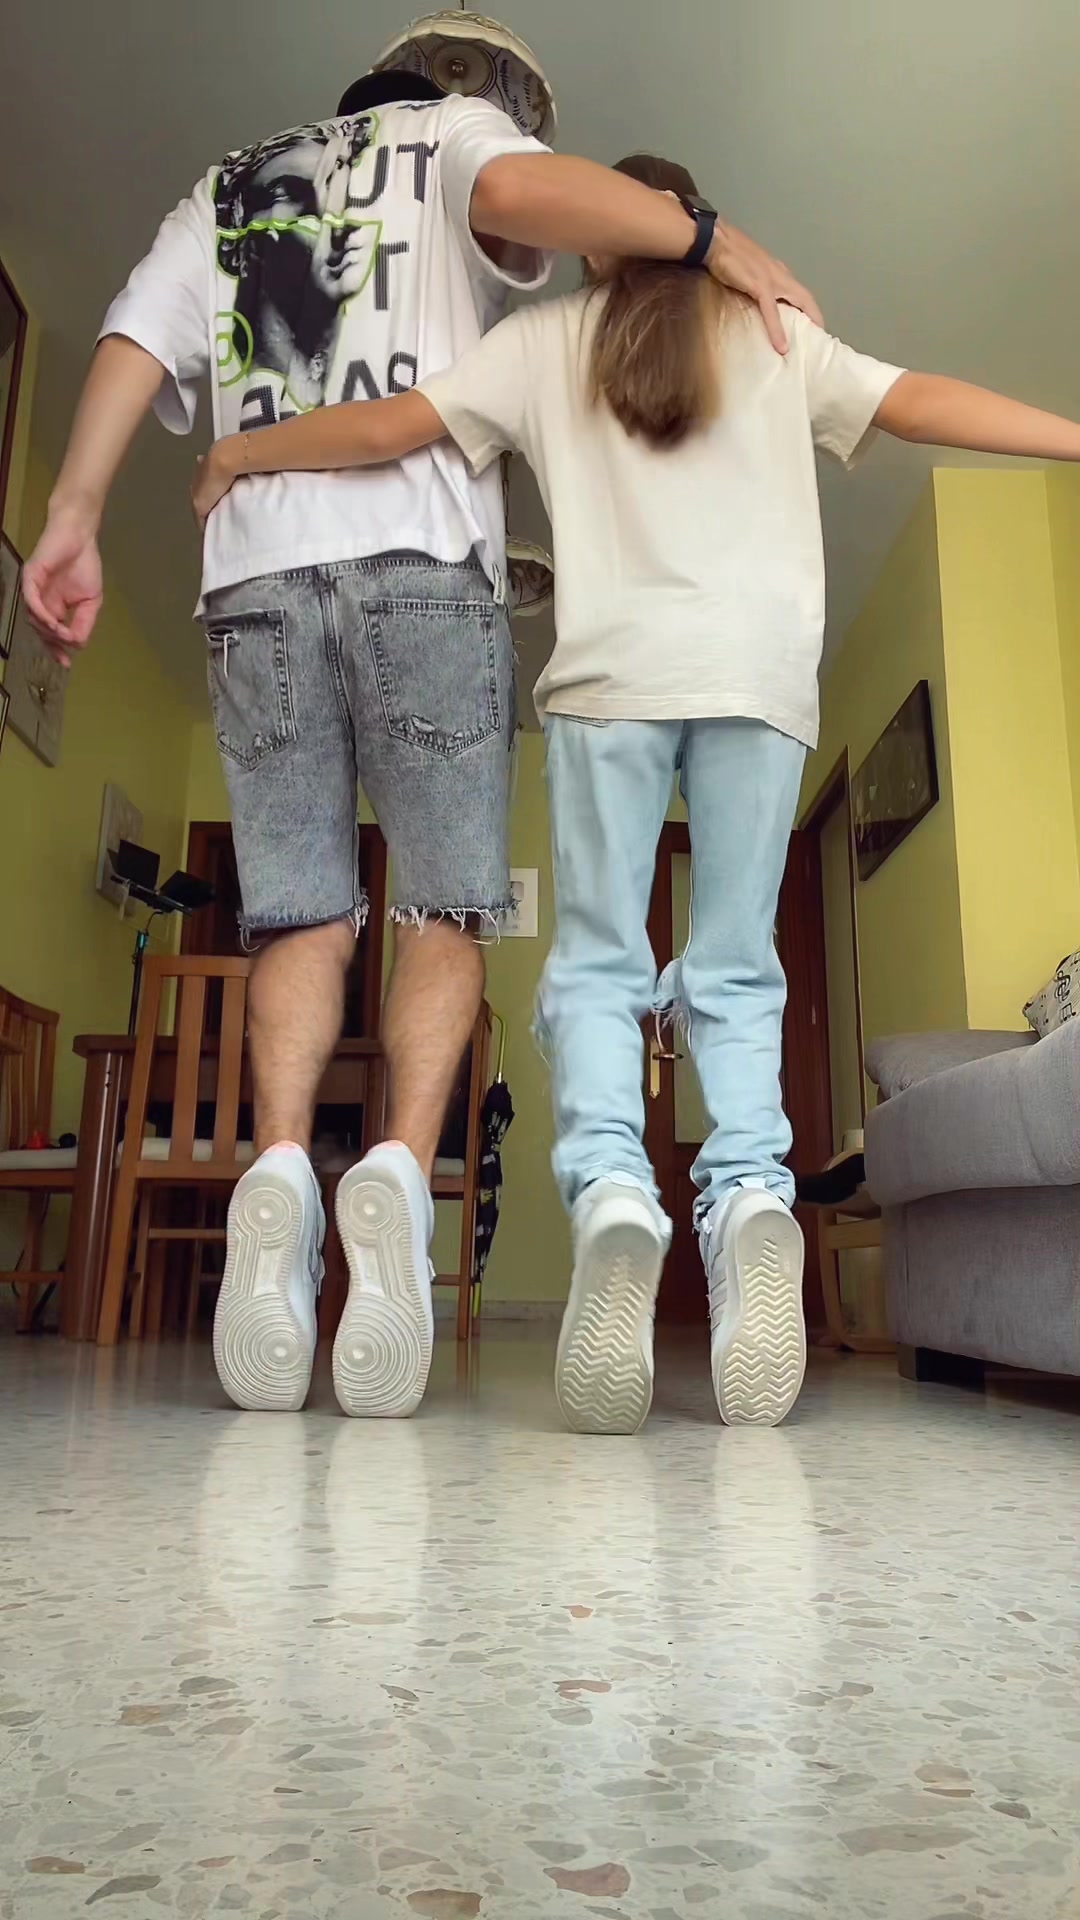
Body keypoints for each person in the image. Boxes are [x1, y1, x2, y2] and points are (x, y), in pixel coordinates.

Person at [190, 145, 1080, 1434]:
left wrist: (244, 450)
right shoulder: (771, 331)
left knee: (602, 966)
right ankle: (752, 1195)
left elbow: (386, 429)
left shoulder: (543, 343)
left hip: (611, 682)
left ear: (601, 237)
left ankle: (615, 1191)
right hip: (758, 679)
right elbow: (919, 401)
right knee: (737, 968)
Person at [23, 32, 819, 1423]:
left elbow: (130, 340)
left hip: (255, 573)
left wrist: (74, 513)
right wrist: (705, 238)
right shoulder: (451, 137)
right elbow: (524, 195)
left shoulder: (226, 186)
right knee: (444, 908)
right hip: (424, 569)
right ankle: (395, 1165)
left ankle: (281, 1166)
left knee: (297, 914)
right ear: (452, 96)